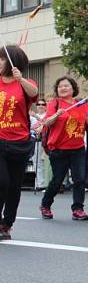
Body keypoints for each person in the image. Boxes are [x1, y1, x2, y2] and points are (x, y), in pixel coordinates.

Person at [39, 76, 88, 221]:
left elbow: (86, 122)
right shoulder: (54, 103)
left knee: (79, 179)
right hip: (59, 149)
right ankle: (45, 205)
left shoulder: (80, 104)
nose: (63, 88)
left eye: (66, 86)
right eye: (60, 86)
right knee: (57, 181)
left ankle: (78, 209)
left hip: (78, 147)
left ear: (73, 88)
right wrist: (57, 114)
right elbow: (47, 123)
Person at [0, 45, 39, 240]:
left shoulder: (24, 83)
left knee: (15, 186)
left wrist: (20, 78)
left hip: (20, 142)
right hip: (0, 140)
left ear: (11, 61)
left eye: (1, 59)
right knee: (2, 182)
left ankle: (7, 224)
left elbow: (34, 93)